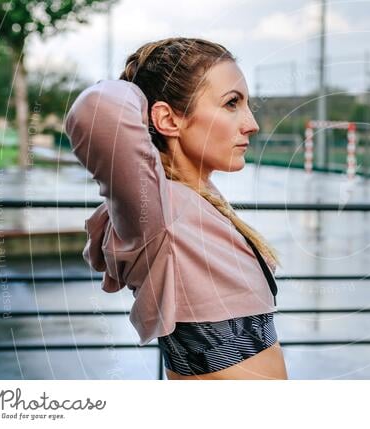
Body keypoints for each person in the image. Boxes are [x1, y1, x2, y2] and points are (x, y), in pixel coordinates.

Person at [65, 37, 288, 380]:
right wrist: (140, 84)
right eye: (231, 103)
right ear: (168, 120)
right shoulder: (160, 212)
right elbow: (96, 109)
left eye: (247, 104)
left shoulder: (196, 202)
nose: (251, 123)